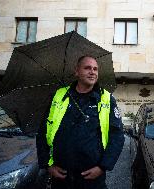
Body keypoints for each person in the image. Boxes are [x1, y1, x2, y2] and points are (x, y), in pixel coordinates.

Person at [36, 55, 125, 189]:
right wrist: (47, 165)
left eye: (95, 69)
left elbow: (117, 136)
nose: (92, 72)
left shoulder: (106, 99)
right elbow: (43, 131)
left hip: (92, 179)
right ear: (76, 71)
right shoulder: (59, 96)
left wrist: (102, 167)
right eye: (87, 68)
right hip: (61, 177)